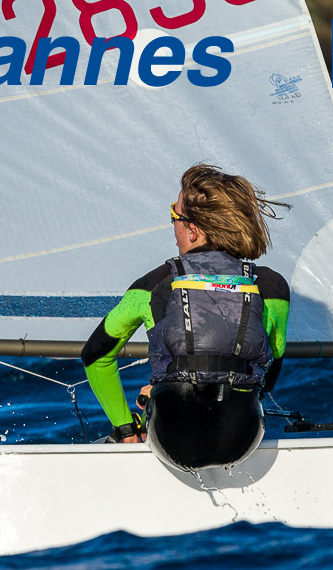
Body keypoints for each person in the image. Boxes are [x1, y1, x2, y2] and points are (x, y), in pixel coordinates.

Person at [80, 164, 291, 470]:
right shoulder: (272, 286)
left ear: (192, 229)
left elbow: (95, 355)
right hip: (242, 437)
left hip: (171, 438)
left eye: (174, 216)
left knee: (157, 395)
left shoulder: (153, 285)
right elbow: (269, 374)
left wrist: (127, 428)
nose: (173, 226)